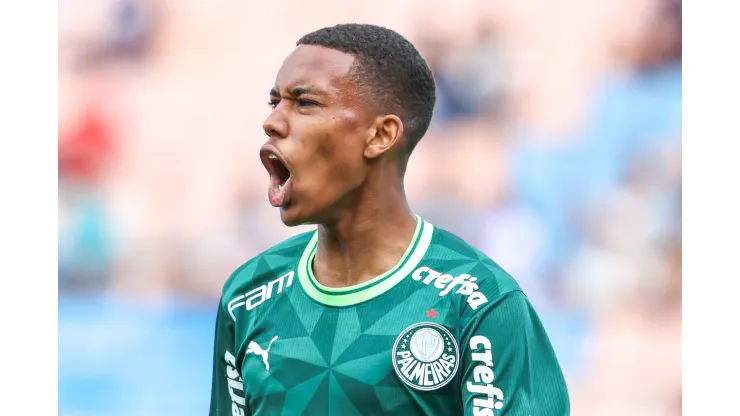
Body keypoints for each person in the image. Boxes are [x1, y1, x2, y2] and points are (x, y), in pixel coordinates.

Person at [209, 23, 569, 415]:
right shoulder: (247, 296)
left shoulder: (479, 302)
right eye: (274, 102)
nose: (273, 121)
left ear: (381, 135)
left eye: (305, 103)